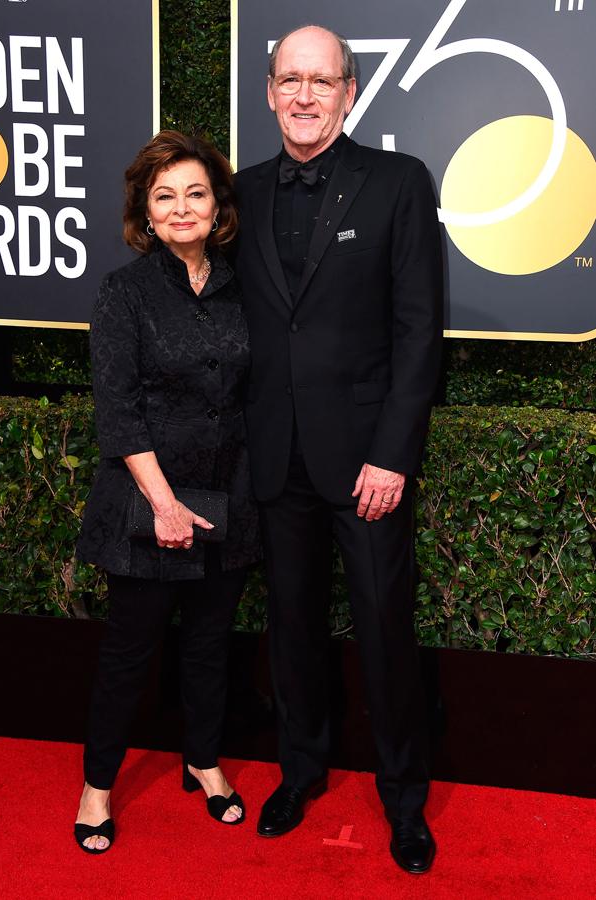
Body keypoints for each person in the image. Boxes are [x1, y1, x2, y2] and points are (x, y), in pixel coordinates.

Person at [233, 26, 443, 874]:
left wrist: (393, 454)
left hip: (366, 463)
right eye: (290, 79)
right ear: (272, 91)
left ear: (350, 91)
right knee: (291, 629)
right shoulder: (239, 195)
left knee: (385, 632)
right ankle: (300, 771)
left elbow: (417, 330)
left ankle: (404, 801)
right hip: (276, 455)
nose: (304, 95)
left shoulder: (396, 183)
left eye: (321, 81)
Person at [74, 131, 260, 853]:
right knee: (128, 655)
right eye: (165, 196)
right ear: (145, 214)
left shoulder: (241, 284)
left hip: (231, 495)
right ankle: (97, 786)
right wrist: (163, 504)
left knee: (211, 646)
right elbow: (117, 410)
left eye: (196, 192)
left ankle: (204, 761)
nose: (182, 207)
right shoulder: (124, 291)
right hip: (148, 499)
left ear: (217, 207)